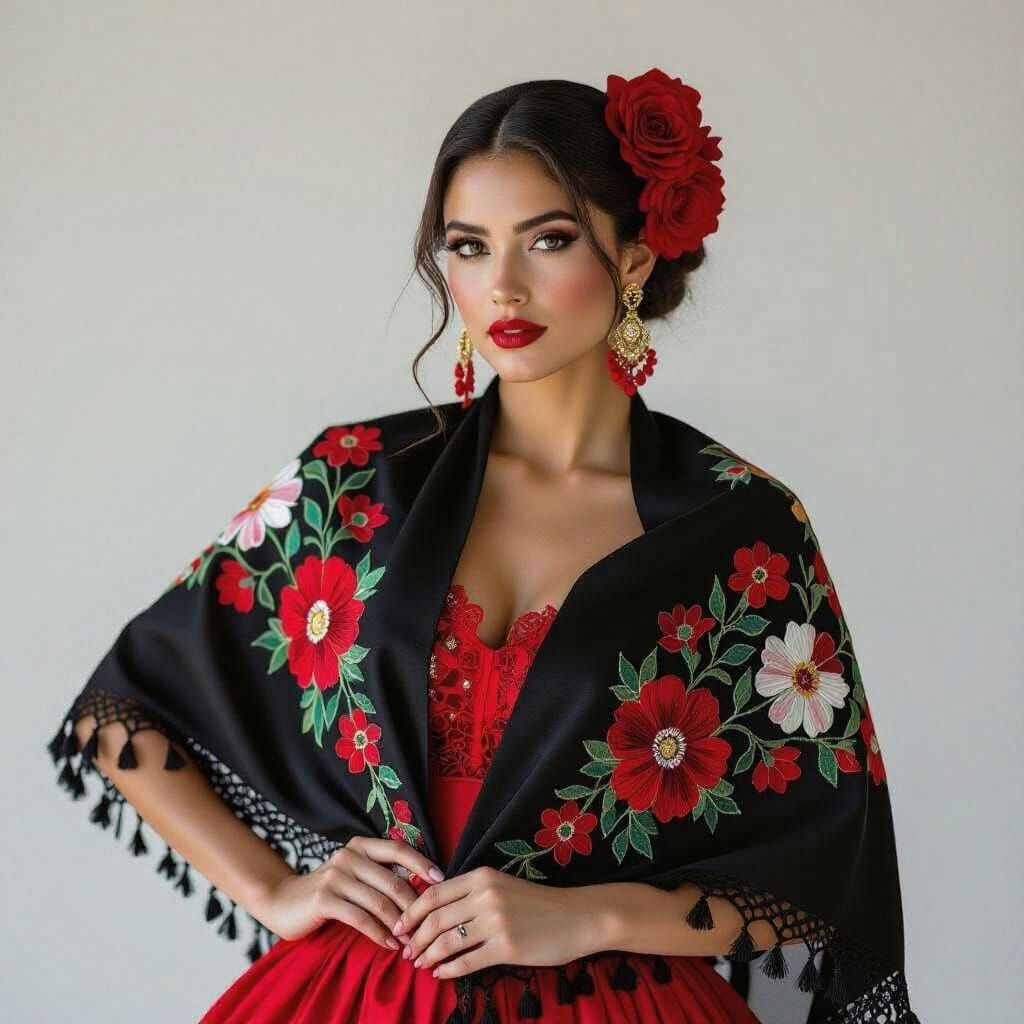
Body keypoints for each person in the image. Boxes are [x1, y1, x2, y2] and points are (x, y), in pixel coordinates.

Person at [47, 70, 920, 1023]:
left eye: (549, 240)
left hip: (622, 1003)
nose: (502, 285)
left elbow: (822, 858)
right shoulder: (353, 482)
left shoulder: (741, 531)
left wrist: (584, 918)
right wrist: (274, 891)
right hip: (360, 994)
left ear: (633, 258)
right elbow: (118, 716)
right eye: (469, 247)